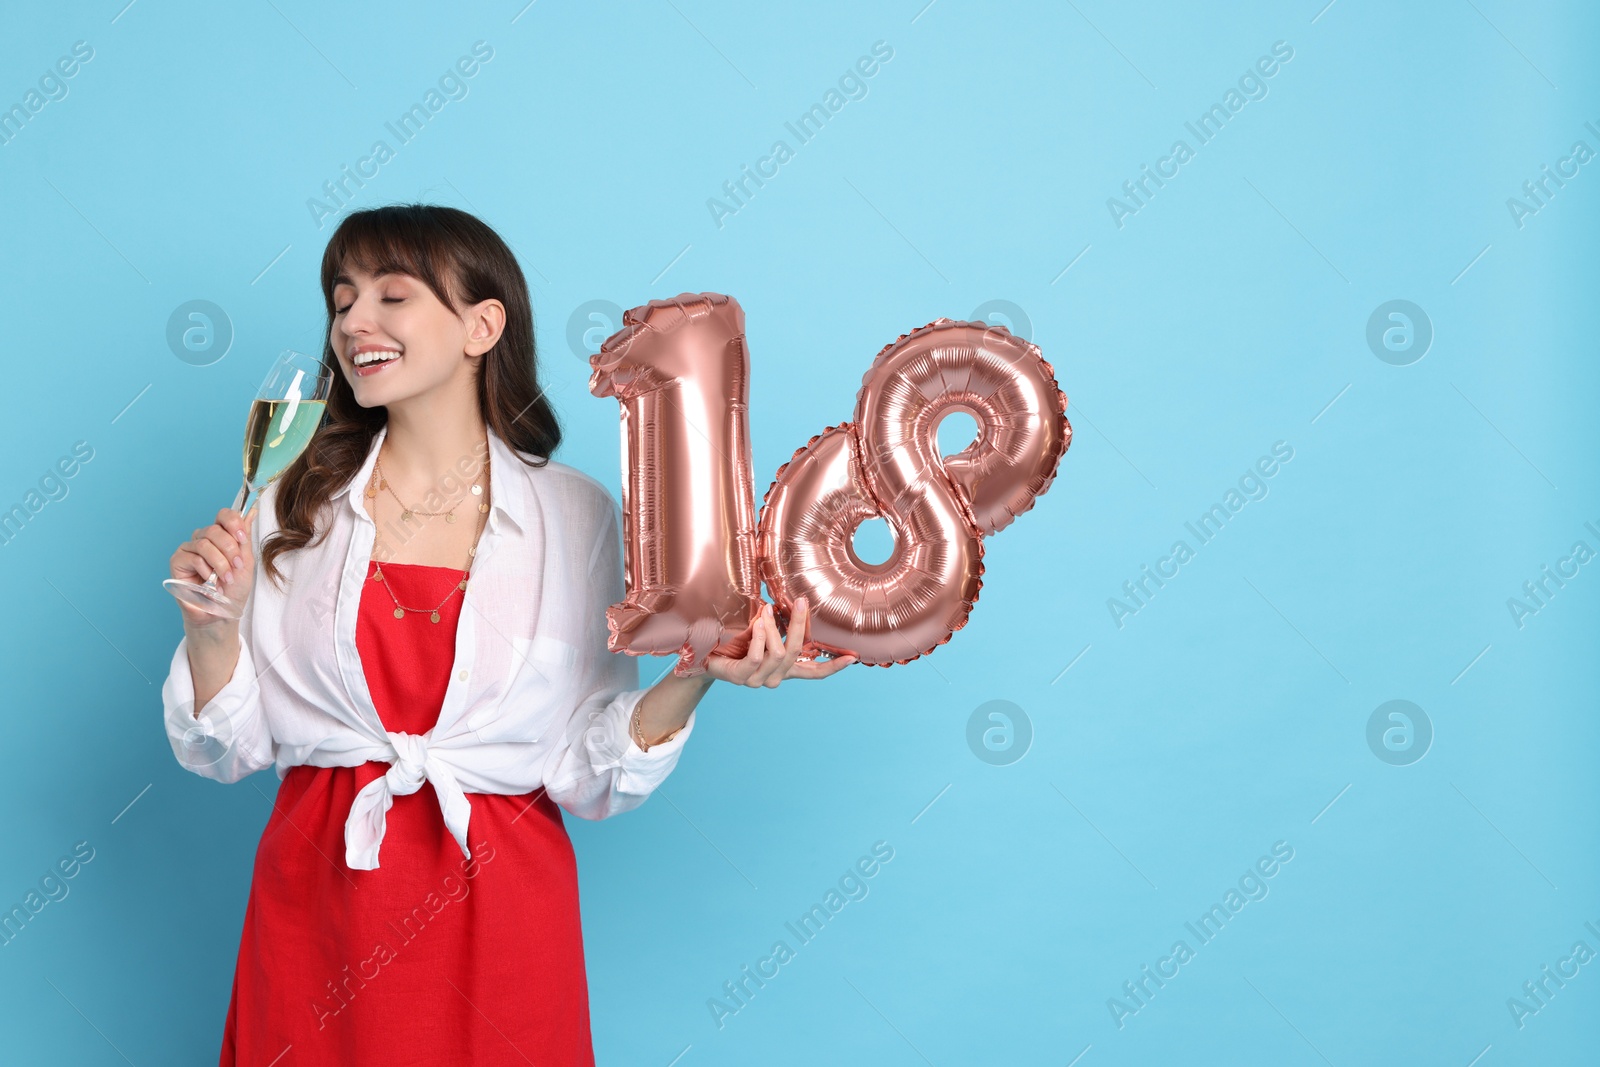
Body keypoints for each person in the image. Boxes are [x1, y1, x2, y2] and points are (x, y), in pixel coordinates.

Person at [160, 204, 854, 1065]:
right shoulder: (286, 507)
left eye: (392, 294)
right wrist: (212, 631)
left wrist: (695, 674)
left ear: (483, 324)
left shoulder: (580, 515)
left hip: (502, 914)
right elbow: (223, 751)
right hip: (317, 904)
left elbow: (589, 773)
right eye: (341, 300)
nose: (353, 323)